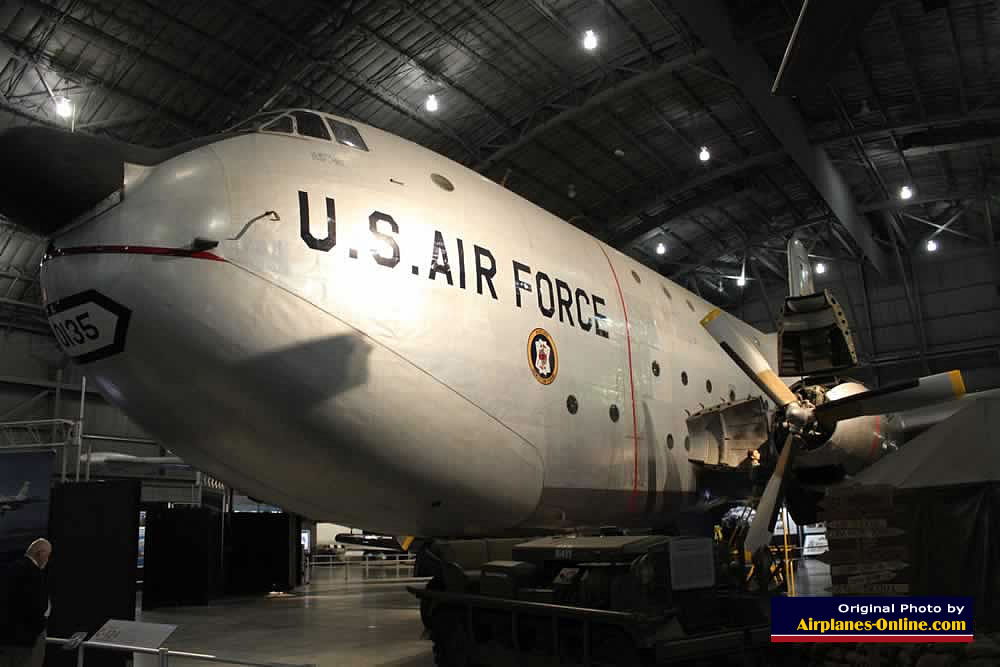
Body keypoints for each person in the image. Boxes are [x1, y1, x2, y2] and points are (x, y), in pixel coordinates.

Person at [0, 539, 51, 667]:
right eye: (48, 555)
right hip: (26, 642)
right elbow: (38, 606)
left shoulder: (9, 568)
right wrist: (39, 628)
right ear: (41, 553)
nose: (48, 559)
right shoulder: (35, 574)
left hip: (4, 639)